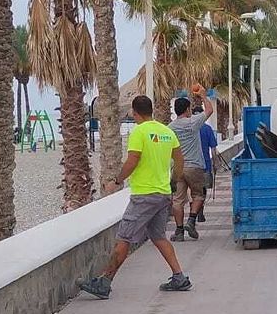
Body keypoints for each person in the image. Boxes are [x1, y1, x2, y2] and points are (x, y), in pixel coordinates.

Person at [78, 95, 192, 299]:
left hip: (144, 195)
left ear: (134, 112)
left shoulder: (139, 132)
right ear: (151, 110)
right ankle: (179, 277)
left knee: (124, 237)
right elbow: (179, 159)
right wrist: (174, 181)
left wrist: (117, 180)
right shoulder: (166, 131)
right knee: (158, 236)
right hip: (163, 194)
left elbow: (132, 161)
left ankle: (104, 282)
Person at [167, 87, 216, 241]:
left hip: (178, 168)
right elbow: (209, 110)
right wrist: (202, 95)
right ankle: (191, 220)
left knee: (178, 200)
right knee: (198, 195)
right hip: (194, 166)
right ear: (188, 110)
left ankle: (179, 231)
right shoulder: (192, 122)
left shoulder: (170, 128)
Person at [196, 108, 220, 222]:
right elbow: (214, 149)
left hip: (190, 165)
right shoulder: (207, 129)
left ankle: (194, 211)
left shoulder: (190, 129)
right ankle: (200, 211)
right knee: (203, 189)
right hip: (205, 164)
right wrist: (215, 163)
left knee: (193, 190)